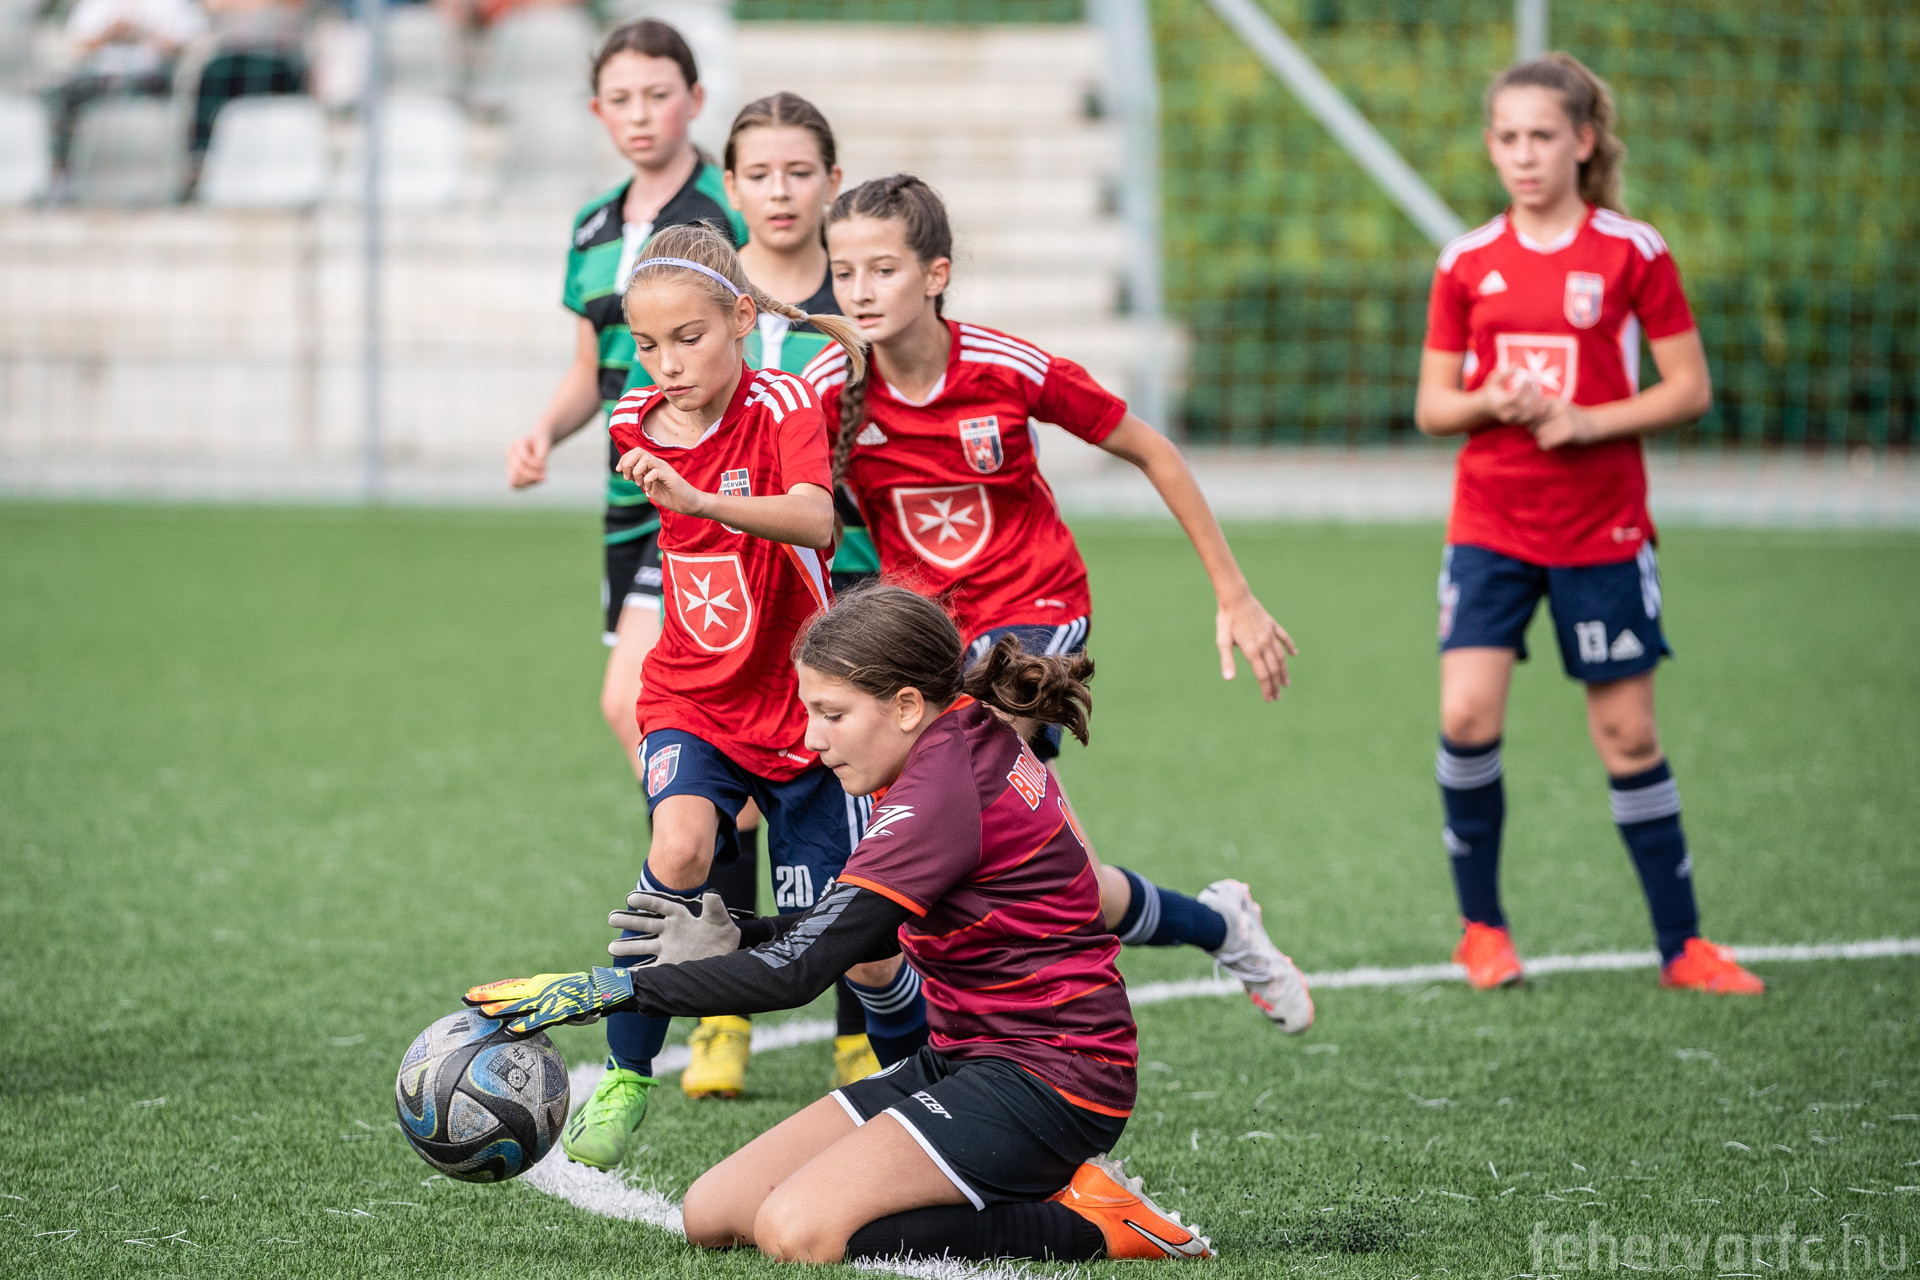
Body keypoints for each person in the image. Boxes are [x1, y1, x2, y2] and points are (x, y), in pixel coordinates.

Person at [466, 584, 1215, 1264]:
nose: (812, 738)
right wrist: (738, 936)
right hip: (967, 1059)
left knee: (799, 1232)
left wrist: (609, 990)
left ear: (907, 705)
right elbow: (857, 931)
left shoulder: (938, 790)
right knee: (712, 1213)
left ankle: (1095, 1223)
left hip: (1053, 1077)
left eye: (831, 714)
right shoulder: (950, 738)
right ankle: (1004, 1181)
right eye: (809, 712)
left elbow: (798, 974)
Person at [801, 175, 1312, 1033]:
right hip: (930, 642)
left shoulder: (1006, 368)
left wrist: (1235, 594)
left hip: (1036, 610)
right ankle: (1222, 927)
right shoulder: (827, 385)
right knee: (1070, 883)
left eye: (883, 269)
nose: (860, 290)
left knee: (949, 793)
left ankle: (967, 1048)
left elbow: (1152, 450)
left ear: (936, 274)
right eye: (844, 272)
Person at [556, 222, 924, 1171]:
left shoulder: (786, 403)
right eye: (648, 345)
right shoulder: (633, 417)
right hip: (691, 695)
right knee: (678, 849)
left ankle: (925, 1086)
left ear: (742, 320)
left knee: (861, 947)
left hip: (804, 711)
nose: (668, 364)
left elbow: (816, 517)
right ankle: (626, 1072)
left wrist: (702, 499)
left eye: (689, 338)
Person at [1413, 54, 1762, 996]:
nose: (1524, 155)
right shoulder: (1466, 262)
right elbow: (1434, 407)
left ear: (1584, 141)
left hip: (1603, 530)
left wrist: (1587, 422)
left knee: (1628, 737)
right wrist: (1492, 399)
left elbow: (1689, 388)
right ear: (1492, 147)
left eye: (1543, 136)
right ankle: (1482, 933)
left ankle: (1682, 946)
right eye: (1508, 137)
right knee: (1466, 715)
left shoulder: (1632, 251)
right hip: (1491, 521)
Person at [500, 20, 769, 1098]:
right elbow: (590, 368)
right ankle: (726, 960)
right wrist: (544, 428)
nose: (642, 112)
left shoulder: (724, 213)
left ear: (694, 100)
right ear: (597, 112)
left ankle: (722, 960)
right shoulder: (590, 224)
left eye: (660, 93)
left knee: (646, 709)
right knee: (672, 736)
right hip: (634, 503)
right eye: (622, 96)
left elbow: (764, 332)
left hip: (720, 496)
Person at [643, 90, 879, 1102]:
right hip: (716, 583)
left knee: (851, 821)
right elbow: (650, 420)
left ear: (832, 180)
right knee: (711, 808)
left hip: (853, 581)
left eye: (799, 171)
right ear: (728, 187)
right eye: (758, 173)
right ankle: (722, 1015)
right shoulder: (690, 295)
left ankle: (864, 1036)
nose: (779, 191)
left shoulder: (862, 289)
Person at [48, 0, 204, 176]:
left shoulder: (172, 4)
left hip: (153, 78)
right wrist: (110, 33)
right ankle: (61, 170)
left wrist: (140, 32)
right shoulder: (94, 4)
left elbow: (190, 42)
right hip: (99, 80)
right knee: (58, 98)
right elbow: (77, 45)